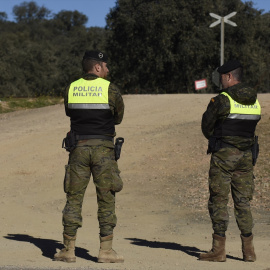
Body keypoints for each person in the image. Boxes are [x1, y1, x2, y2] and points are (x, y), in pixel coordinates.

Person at [54, 50, 125, 263]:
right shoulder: (110, 88)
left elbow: (69, 112)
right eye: (105, 66)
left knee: (74, 198)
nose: (107, 69)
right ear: (97, 67)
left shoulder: (71, 88)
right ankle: (106, 251)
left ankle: (67, 249)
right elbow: (118, 117)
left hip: (78, 149)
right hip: (103, 149)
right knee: (106, 198)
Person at [200, 60, 261, 262]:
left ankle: (218, 250)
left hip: (224, 156)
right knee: (243, 202)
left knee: (218, 200)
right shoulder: (254, 100)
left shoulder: (222, 100)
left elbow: (207, 127)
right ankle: (249, 251)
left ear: (229, 77)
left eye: (222, 77)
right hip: (246, 157)